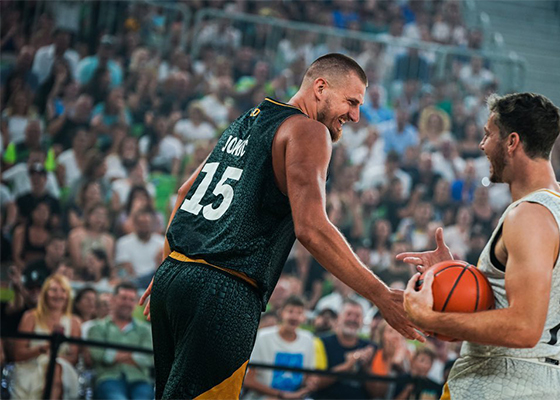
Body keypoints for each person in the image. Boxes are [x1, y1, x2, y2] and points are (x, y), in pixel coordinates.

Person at [140, 53, 422, 400]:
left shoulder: (247, 120)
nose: (355, 116)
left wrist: (169, 268)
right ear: (320, 88)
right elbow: (311, 229)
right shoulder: (309, 130)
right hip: (224, 289)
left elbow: (185, 192)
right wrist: (380, 295)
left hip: (174, 275)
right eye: (351, 102)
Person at [400, 92, 560, 399]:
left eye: (488, 135)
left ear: (511, 142)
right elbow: (526, 292)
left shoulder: (530, 215)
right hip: (545, 380)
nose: (482, 145)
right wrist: (453, 272)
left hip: (505, 383)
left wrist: (429, 318)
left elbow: (524, 327)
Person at [11, 274, 81, 400]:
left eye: (63, 291)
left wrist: (52, 357)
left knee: (56, 368)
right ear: (45, 294)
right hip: (31, 367)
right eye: (53, 290)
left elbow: (73, 358)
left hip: (63, 371)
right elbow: (18, 354)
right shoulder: (30, 317)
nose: (58, 295)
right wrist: (42, 349)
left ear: (68, 296)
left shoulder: (74, 322)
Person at [88, 282, 154, 400]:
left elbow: (150, 358)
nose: (127, 303)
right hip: (108, 379)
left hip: (140, 381)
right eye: (123, 298)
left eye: (131, 299)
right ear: (113, 300)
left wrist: (114, 355)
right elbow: (99, 355)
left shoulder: (146, 330)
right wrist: (133, 355)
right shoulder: (97, 328)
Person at [243, 296, 316, 400]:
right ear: (281, 313)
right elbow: (248, 380)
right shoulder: (263, 337)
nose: (294, 317)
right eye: (290, 311)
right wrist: (281, 395)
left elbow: (309, 376)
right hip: (264, 396)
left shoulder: (308, 339)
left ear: (304, 317)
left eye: (299, 313)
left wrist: (310, 384)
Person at [311, 300, 375, 400]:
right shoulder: (321, 342)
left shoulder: (370, 347)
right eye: (348, 314)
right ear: (338, 318)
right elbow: (315, 384)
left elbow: (378, 393)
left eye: (357, 316)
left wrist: (366, 367)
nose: (353, 319)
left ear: (362, 321)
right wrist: (347, 366)